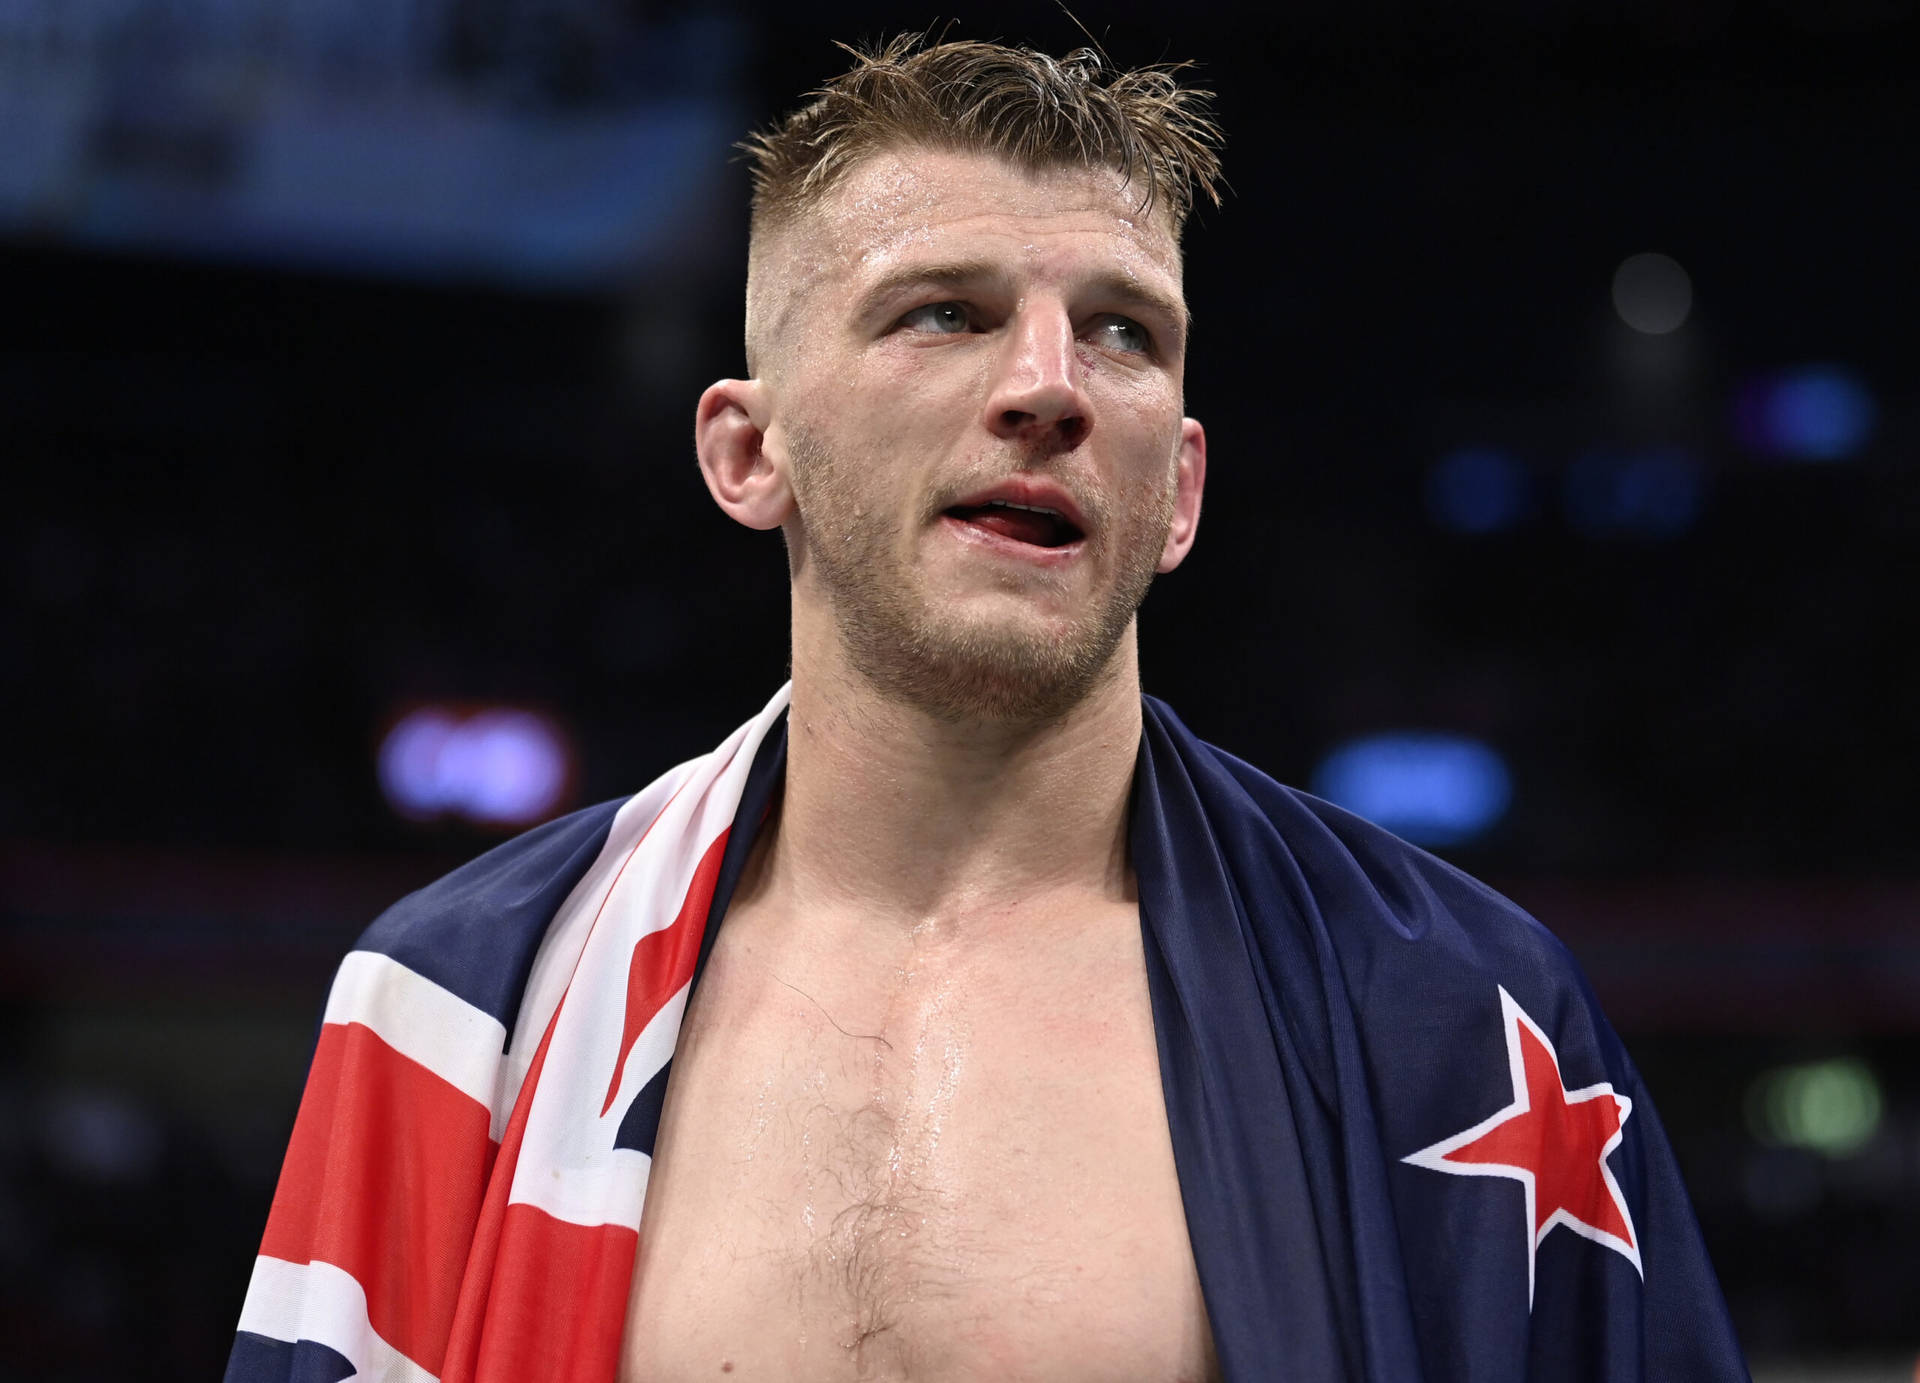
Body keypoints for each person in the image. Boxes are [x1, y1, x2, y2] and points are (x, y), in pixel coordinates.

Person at [227, 35, 1750, 1383]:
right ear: (748, 452)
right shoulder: (454, 1011)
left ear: (1183, 490)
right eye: (943, 314)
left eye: (1123, 331)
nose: (1049, 385)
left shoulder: (1464, 1025)